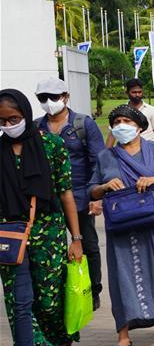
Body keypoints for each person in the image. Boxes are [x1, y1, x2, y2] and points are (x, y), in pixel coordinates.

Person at [1, 89, 84, 346]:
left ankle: (61, 339)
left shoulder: (51, 145)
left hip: (47, 234)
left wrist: (76, 239)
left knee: (48, 303)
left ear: (24, 114)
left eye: (14, 118)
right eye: (2, 121)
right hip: (9, 237)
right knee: (20, 305)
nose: (9, 125)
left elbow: (65, 194)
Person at [89, 105, 154, 346]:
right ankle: (123, 337)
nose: (122, 125)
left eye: (127, 121)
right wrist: (104, 186)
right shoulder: (106, 157)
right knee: (121, 279)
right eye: (117, 121)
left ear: (140, 126)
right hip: (121, 226)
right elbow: (91, 190)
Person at [35, 77, 105, 310]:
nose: (49, 102)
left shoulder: (83, 125)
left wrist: (96, 198)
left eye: (53, 97)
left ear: (65, 97)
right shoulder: (36, 128)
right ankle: (56, 292)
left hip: (80, 197)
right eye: (43, 98)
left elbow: (98, 161)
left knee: (88, 245)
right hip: (48, 201)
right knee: (49, 247)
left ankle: (93, 290)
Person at [105, 79, 154, 145]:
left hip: (148, 149)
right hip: (127, 149)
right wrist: (106, 153)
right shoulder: (121, 111)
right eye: (134, 92)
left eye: (139, 92)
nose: (137, 95)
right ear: (127, 92)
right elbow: (112, 133)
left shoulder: (151, 110)